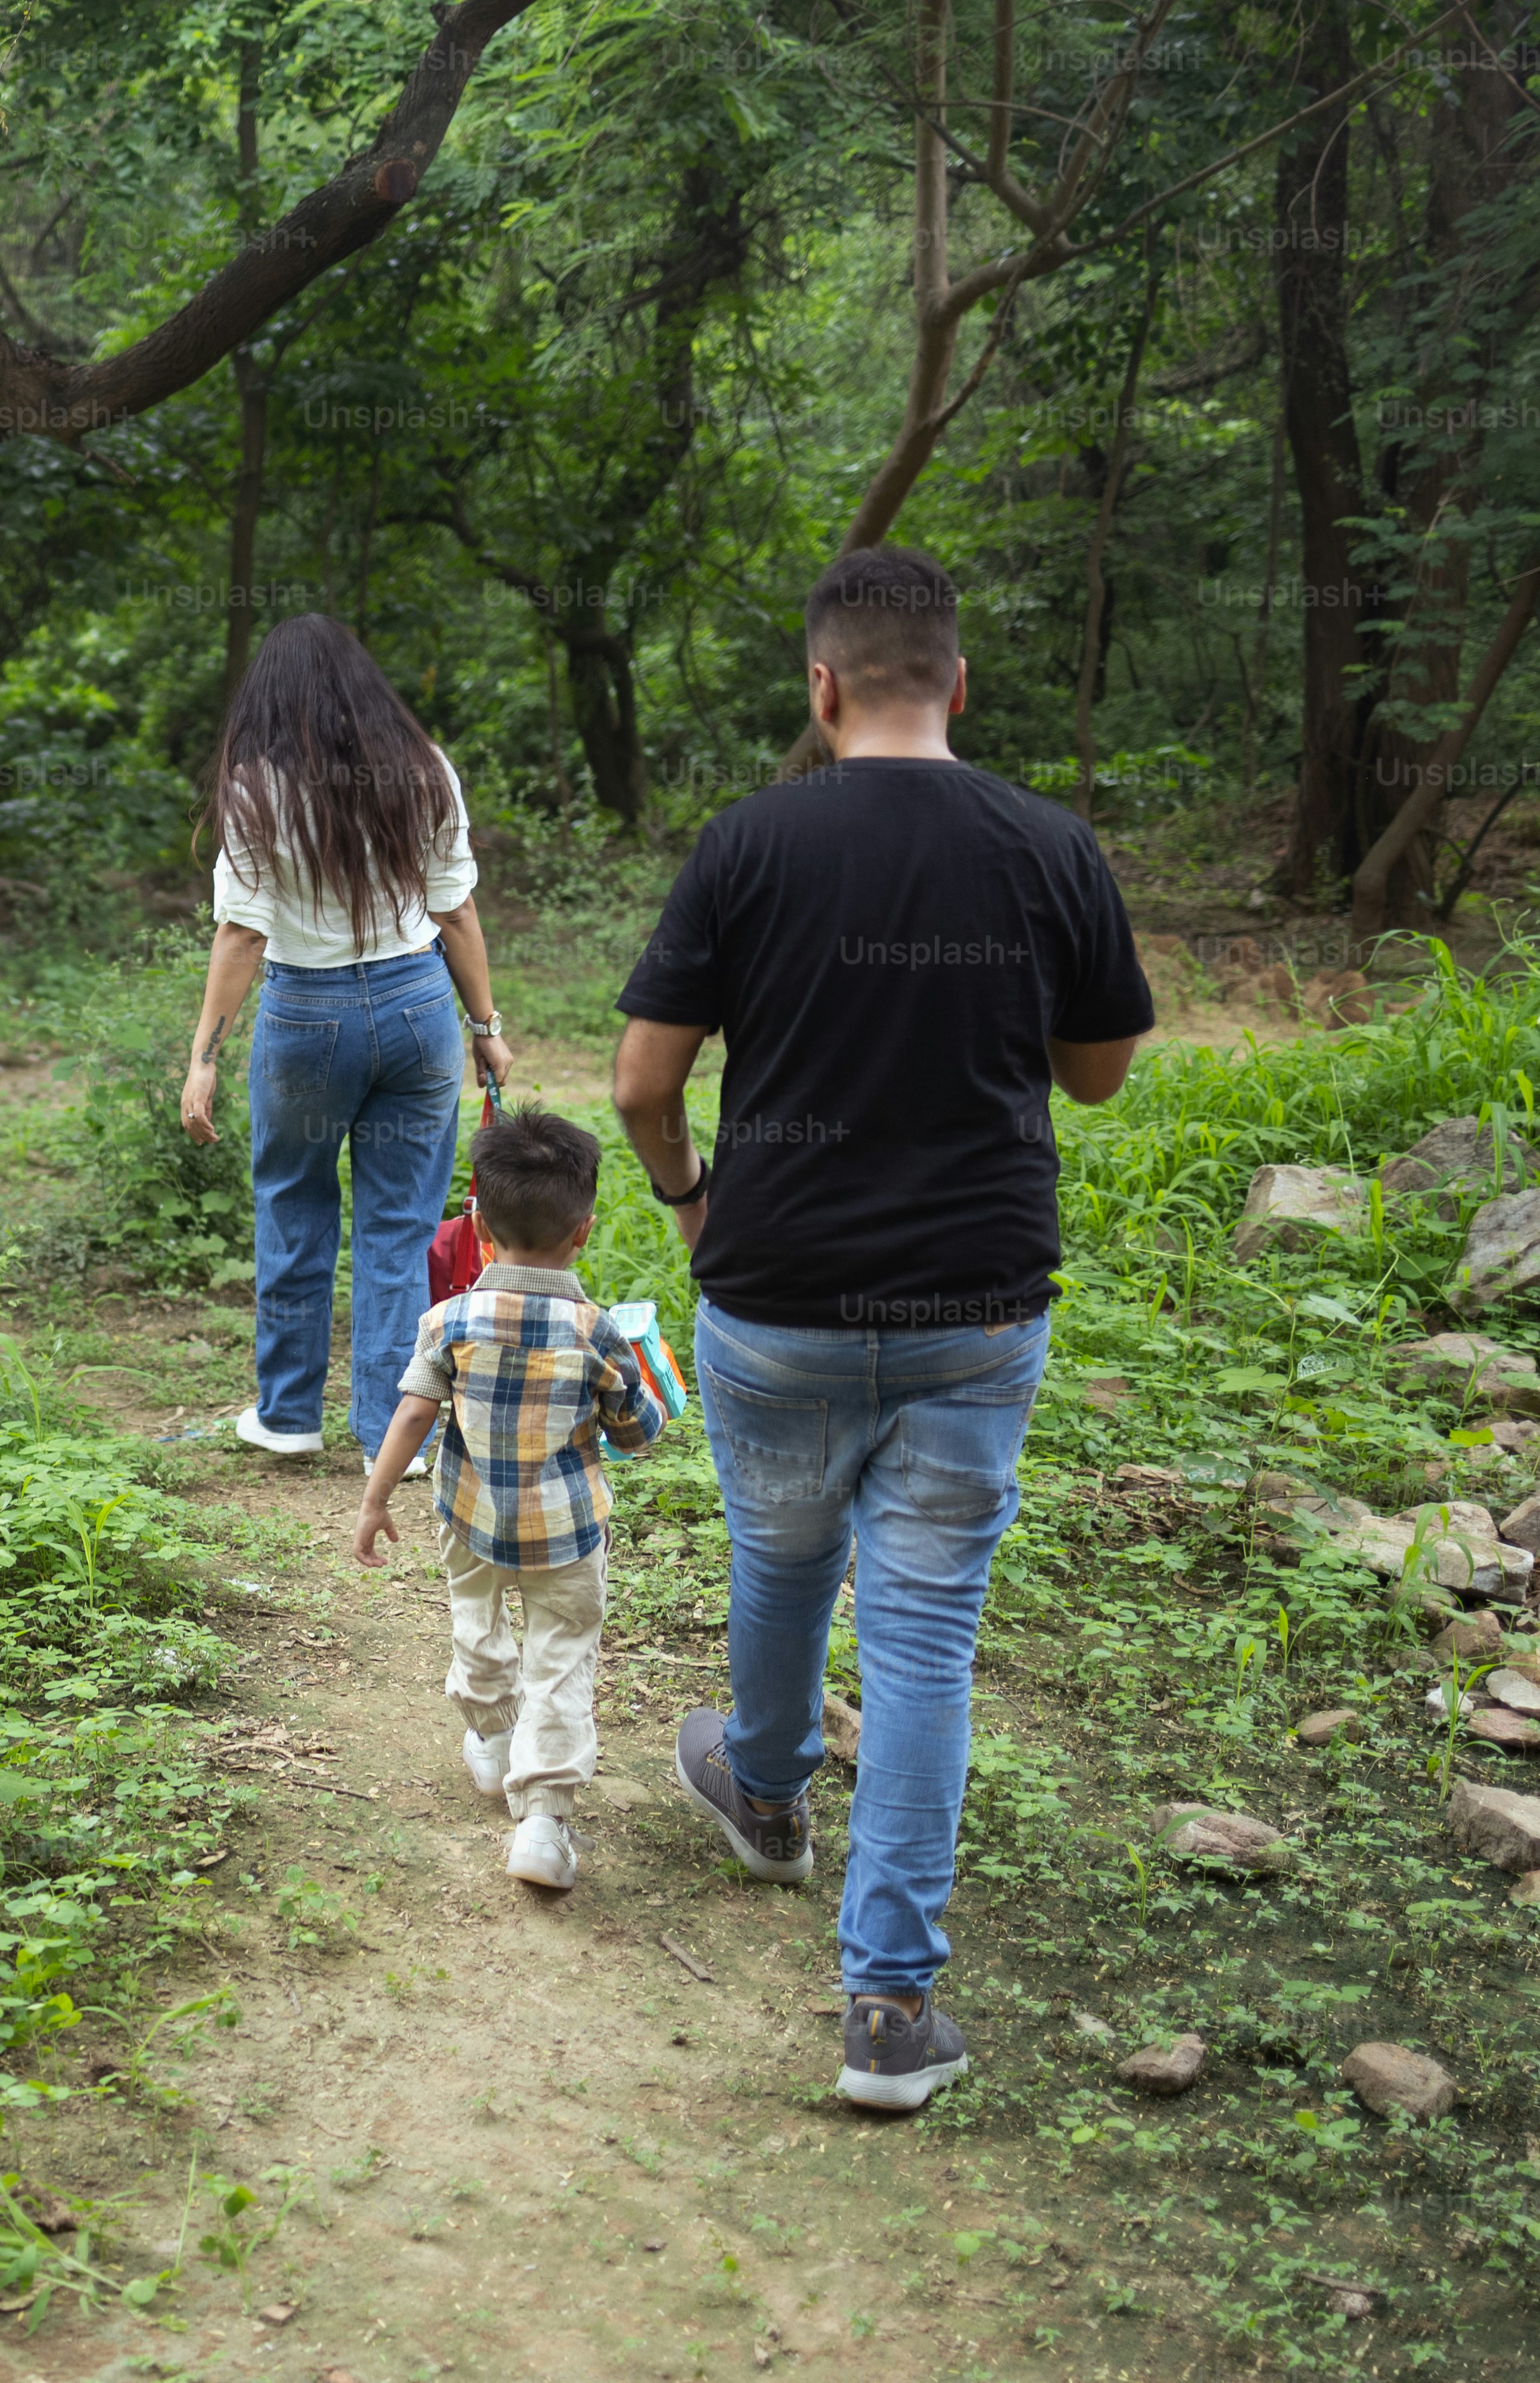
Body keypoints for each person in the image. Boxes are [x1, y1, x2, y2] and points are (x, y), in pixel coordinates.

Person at [608, 544, 1152, 2112]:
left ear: (823, 689)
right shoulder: (1047, 847)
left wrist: (691, 1200)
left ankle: (765, 1796)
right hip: (977, 1309)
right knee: (924, 1644)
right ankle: (892, 2013)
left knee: (779, 1563)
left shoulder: (749, 844)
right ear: (960, 687)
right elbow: (1100, 1074)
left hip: (772, 1297)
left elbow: (646, 1084)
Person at [181, 614, 513, 1463]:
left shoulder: (257, 788)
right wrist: (486, 1030)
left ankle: (289, 1418)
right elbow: (457, 910)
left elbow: (242, 936)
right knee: (400, 1227)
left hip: (307, 1020)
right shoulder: (426, 771)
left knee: (293, 1205)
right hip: (417, 1008)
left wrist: (204, 1057)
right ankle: (388, 1438)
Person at [348, 1109, 665, 1891]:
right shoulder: (598, 1334)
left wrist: (375, 1498)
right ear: (584, 1231)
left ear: (481, 1229)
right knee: (560, 1661)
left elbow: (416, 1412)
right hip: (566, 1531)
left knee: (476, 1620)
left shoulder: (449, 1320)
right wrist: (651, 1402)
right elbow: (635, 1433)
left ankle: (491, 1741)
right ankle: (543, 1824)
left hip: (472, 1518)